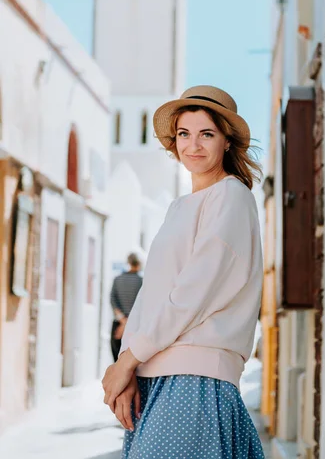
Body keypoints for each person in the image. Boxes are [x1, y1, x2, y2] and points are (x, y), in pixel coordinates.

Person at [102, 85, 265, 459]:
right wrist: (128, 366)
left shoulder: (231, 196)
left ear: (227, 141)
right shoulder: (180, 207)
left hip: (196, 379)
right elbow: (152, 295)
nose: (193, 145)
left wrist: (127, 361)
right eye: (183, 134)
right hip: (155, 376)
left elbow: (193, 292)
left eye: (206, 133)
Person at [110, 253, 143, 362]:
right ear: (139, 264)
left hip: (118, 324)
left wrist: (123, 322)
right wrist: (128, 323)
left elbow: (113, 301)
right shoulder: (142, 281)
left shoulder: (117, 279)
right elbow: (142, 303)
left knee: (117, 360)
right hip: (136, 325)